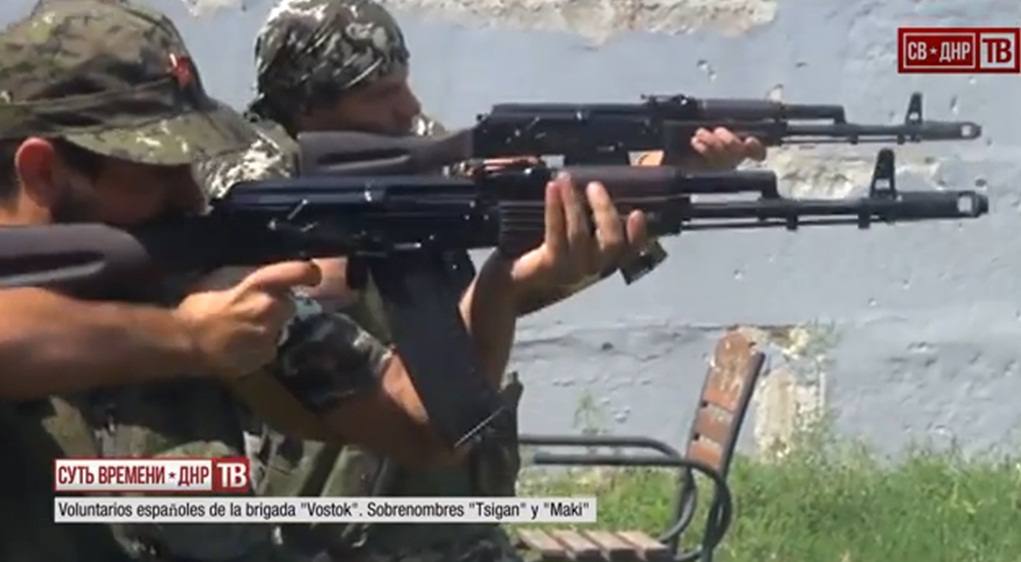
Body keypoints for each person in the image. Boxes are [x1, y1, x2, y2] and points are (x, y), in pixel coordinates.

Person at [0, 1, 649, 561]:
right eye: (158, 169)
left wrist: (502, 287)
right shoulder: (189, 317)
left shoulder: (197, 284)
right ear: (45, 172)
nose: (191, 192)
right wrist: (184, 339)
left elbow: (422, 427)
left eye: (193, 162)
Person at [194, 1, 767, 561]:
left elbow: (519, 261)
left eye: (405, 82)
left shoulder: (407, 147)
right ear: (308, 106)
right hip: (332, 535)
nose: (409, 107)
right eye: (381, 93)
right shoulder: (249, 190)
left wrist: (659, 181)